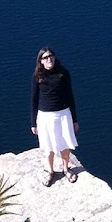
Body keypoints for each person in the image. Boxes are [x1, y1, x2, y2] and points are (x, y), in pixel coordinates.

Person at [30, 47, 79, 186]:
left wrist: (75, 119)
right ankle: (50, 171)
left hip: (63, 113)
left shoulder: (63, 74)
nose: (49, 59)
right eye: (45, 57)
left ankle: (65, 169)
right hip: (45, 116)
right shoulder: (37, 76)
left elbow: (70, 96)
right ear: (41, 61)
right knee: (48, 145)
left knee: (64, 143)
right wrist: (33, 123)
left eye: (51, 56)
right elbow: (33, 99)